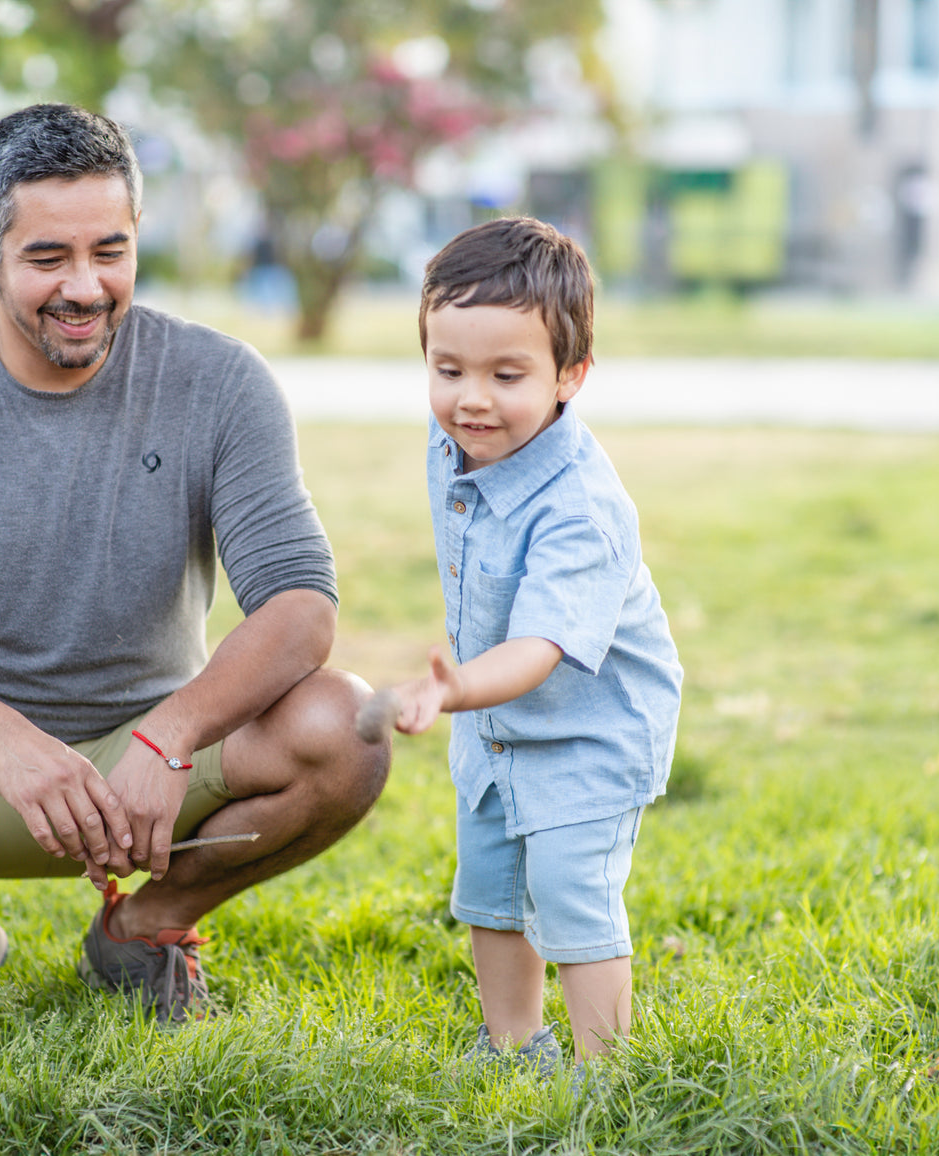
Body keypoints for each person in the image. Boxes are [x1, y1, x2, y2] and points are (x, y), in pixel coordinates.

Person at [0, 103, 389, 1026]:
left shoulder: (221, 379)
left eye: (110, 251)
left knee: (348, 724)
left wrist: (170, 735)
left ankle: (149, 929)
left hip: (156, 769)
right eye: (48, 258)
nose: (85, 287)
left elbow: (299, 608)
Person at [362, 217, 682, 1075]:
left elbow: (540, 647)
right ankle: (510, 1043)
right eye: (447, 369)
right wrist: (469, 701)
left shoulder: (580, 509)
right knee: (493, 893)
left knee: (570, 895)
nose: (471, 399)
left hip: (589, 730)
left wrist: (453, 689)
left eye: (507, 375)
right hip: (497, 727)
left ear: (571, 376)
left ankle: (603, 1072)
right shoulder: (462, 438)